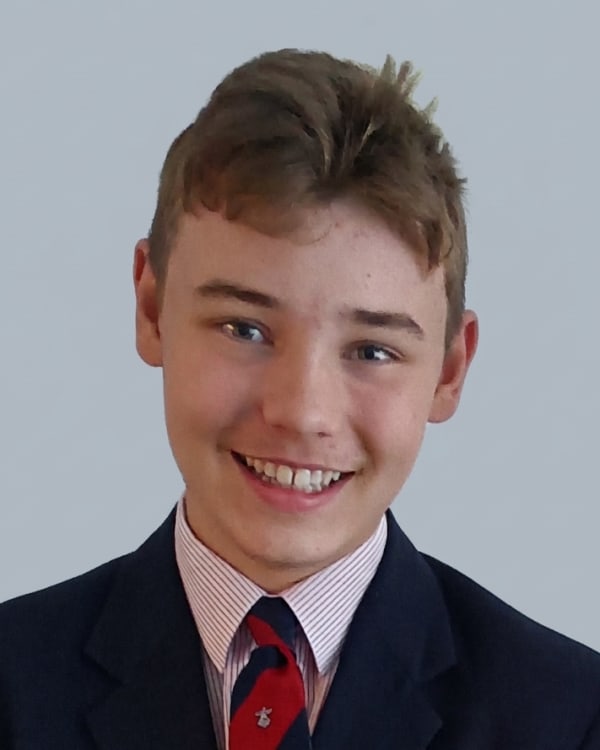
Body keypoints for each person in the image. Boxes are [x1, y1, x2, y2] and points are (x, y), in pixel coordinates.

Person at [1, 48, 599, 750]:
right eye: (244, 329)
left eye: (372, 351)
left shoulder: (571, 720)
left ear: (449, 369)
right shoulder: (14, 687)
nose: (301, 412)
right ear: (152, 308)